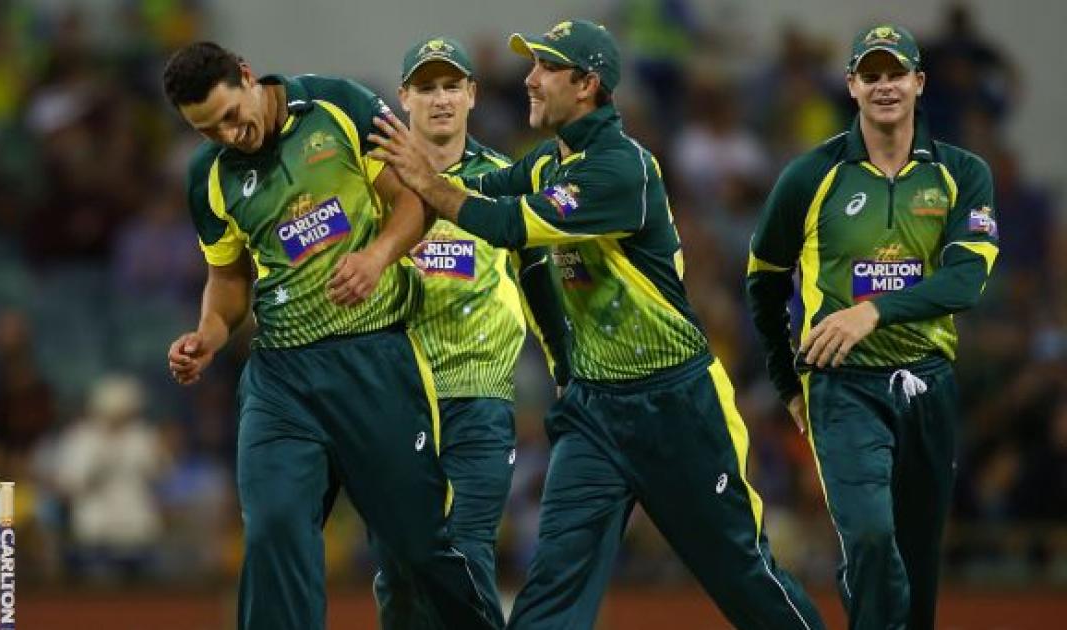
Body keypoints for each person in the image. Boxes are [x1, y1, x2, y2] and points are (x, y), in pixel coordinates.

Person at [371, 19, 825, 630]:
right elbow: (474, 187)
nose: (529, 80)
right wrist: (397, 176)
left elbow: (506, 224)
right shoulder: (548, 163)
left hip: (676, 407)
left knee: (743, 574)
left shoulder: (620, 169)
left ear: (586, 85)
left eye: (546, 68)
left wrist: (425, 181)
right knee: (551, 593)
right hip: (595, 413)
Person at [161, 42, 496, 629]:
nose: (228, 136)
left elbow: (414, 200)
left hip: (374, 359)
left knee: (417, 546)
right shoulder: (208, 176)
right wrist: (208, 334)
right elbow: (228, 278)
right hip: (281, 379)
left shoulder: (337, 106)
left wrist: (376, 257)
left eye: (231, 116)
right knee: (273, 531)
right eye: (207, 130)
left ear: (247, 75)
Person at [745, 25, 1000, 629]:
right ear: (852, 86)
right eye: (871, 75)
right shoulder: (809, 177)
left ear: (920, 82)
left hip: (929, 384)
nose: (885, 86)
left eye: (896, 74)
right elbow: (763, 283)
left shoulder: (962, 173)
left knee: (918, 562)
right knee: (868, 536)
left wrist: (873, 311)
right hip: (842, 386)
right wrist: (787, 385)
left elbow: (966, 281)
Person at [370, 37, 571, 629]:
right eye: (426, 87)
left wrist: (565, 369)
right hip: (396, 396)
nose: (440, 99)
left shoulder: (504, 179)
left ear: (473, 95)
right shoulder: (373, 180)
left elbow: (537, 279)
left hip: (478, 395)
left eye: (451, 86)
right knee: (399, 569)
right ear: (403, 97)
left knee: (463, 549)